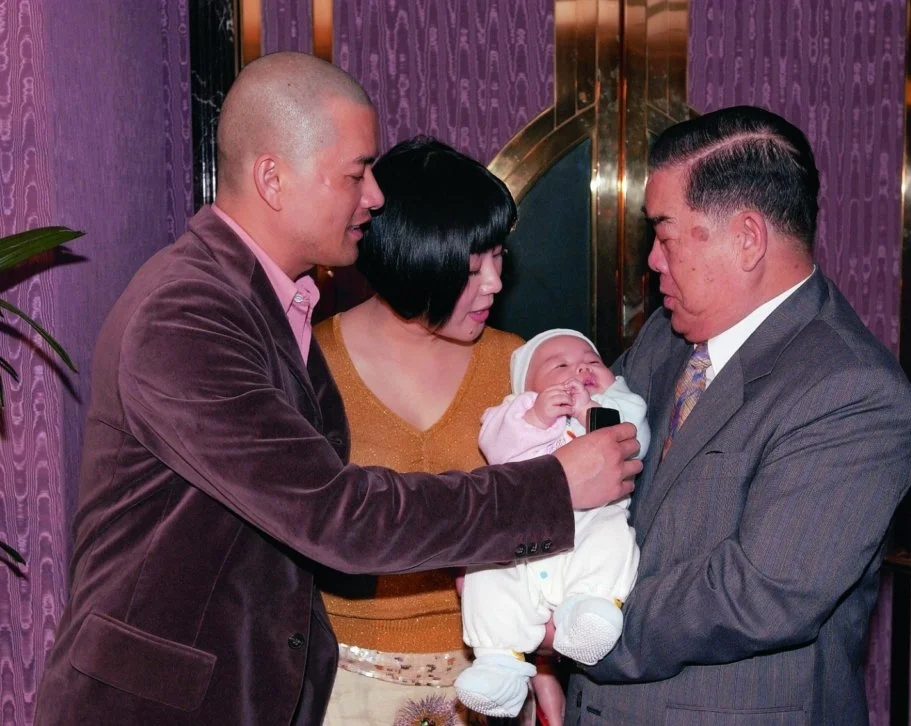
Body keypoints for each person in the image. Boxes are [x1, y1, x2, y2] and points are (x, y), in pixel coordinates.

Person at [34, 52, 641, 726]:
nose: (375, 196)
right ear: (273, 178)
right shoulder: (188, 314)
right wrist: (552, 487)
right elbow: (337, 516)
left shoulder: (273, 301)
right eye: (356, 174)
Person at [563, 105, 911, 725]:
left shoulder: (851, 389)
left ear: (748, 238)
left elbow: (763, 593)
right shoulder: (667, 336)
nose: (653, 261)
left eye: (665, 235)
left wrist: (575, 630)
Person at [315, 136, 545, 726]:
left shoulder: (518, 364)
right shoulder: (311, 364)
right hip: (340, 678)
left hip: (491, 672)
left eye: (498, 257)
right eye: (470, 269)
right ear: (410, 262)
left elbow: (551, 530)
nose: (494, 283)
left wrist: (544, 666)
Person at [456, 329, 649, 719]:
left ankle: (589, 613)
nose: (579, 370)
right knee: (485, 571)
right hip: (523, 539)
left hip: (590, 523)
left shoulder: (619, 402)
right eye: (559, 365)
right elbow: (499, 450)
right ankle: (498, 661)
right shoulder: (516, 410)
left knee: (612, 540)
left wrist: (590, 410)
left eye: (592, 361)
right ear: (526, 386)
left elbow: (632, 441)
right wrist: (537, 416)